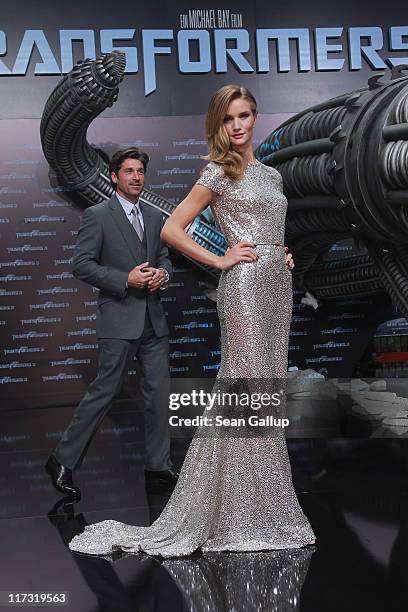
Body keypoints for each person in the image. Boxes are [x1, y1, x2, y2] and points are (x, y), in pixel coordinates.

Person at [68, 86, 316, 557]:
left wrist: (280, 253)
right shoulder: (218, 172)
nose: (238, 125)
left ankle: (263, 499)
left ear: (255, 118)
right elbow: (171, 229)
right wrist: (221, 259)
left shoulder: (272, 176)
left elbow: (270, 230)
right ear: (219, 125)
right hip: (243, 290)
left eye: (244, 116)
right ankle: (236, 505)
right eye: (229, 119)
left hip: (276, 291)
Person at [46, 148, 177, 498]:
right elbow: (81, 264)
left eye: (140, 172)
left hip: (154, 320)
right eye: (129, 171)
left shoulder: (153, 215)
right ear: (114, 176)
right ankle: (62, 459)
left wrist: (163, 274)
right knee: (104, 393)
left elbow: (164, 258)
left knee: (159, 397)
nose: (136, 177)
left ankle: (158, 468)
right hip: (119, 319)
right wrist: (125, 280)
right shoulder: (97, 215)